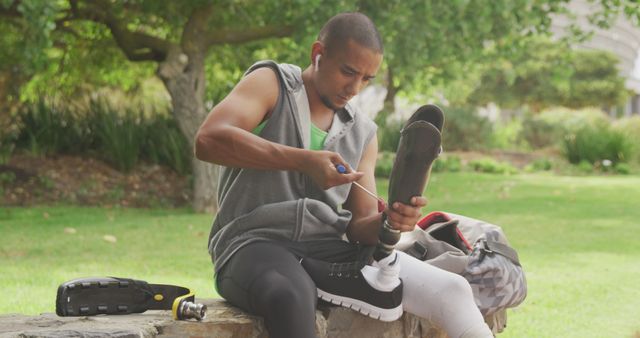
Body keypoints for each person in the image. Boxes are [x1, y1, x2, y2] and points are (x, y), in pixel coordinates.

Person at [195, 12, 494, 338]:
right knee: (291, 296)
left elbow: (359, 225)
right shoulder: (273, 83)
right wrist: (303, 160)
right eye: (348, 71)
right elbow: (209, 140)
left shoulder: (362, 132)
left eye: (367, 79)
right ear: (317, 54)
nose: (355, 88)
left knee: (452, 290)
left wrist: (391, 222)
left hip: (327, 249)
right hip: (251, 245)